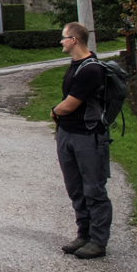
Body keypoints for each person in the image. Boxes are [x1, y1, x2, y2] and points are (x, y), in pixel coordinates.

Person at [50, 21, 111, 259]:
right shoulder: (74, 65)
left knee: (93, 189)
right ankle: (83, 234)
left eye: (63, 38)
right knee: (75, 188)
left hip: (88, 137)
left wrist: (55, 111)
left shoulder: (91, 69)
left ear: (74, 39)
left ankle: (98, 240)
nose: (61, 42)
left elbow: (70, 104)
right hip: (68, 134)